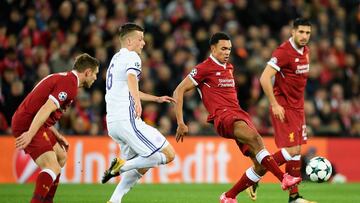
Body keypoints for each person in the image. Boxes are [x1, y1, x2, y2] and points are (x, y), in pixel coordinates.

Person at [173, 32, 301, 203]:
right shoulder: (204, 68)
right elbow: (178, 90)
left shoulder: (229, 67)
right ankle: (284, 178)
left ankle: (229, 196)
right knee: (256, 139)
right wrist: (181, 122)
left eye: (229, 49)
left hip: (239, 114)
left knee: (260, 165)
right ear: (213, 48)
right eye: (223, 48)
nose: (227, 52)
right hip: (224, 117)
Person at [101, 23, 176, 203]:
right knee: (168, 154)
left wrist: (155, 98)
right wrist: (136, 102)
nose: (143, 43)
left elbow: (127, 87)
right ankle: (122, 166)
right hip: (127, 121)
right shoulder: (133, 57)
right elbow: (132, 78)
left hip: (113, 123)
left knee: (143, 165)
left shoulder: (116, 59)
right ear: (129, 41)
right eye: (140, 39)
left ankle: (114, 200)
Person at [12, 53, 99, 203]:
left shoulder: (67, 80)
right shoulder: (69, 83)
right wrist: (29, 134)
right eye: (95, 74)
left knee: (61, 156)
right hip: (28, 124)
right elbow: (46, 108)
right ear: (88, 72)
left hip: (37, 123)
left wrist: (56, 134)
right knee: (52, 167)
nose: (95, 78)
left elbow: (45, 110)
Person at [247, 18, 315, 203]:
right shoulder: (283, 52)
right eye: (301, 32)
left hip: (298, 109)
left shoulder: (306, 51)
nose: (304, 36)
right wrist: (275, 104)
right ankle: (254, 176)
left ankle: (294, 198)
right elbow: (264, 78)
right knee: (292, 150)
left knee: (297, 151)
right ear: (293, 32)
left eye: (307, 33)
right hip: (284, 108)